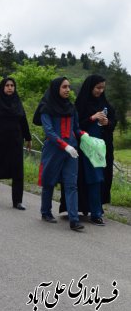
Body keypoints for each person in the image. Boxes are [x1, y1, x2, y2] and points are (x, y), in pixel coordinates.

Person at [38, 77, 86, 230]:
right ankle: (45, 212)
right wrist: (65, 146)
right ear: (56, 88)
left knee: (71, 184)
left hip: (71, 151)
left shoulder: (71, 107)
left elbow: (76, 129)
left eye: (69, 87)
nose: (67, 90)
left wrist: (85, 135)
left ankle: (74, 219)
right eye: (64, 87)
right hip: (54, 150)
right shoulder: (46, 107)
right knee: (49, 182)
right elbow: (49, 132)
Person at [0, 77, 32, 209]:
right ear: (2, 87)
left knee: (17, 171)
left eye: (12, 85)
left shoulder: (17, 101)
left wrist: (28, 138)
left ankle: (17, 201)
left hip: (15, 141)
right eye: (7, 85)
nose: (10, 88)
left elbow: (23, 120)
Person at [73, 75, 116, 225]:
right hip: (87, 148)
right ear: (90, 87)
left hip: (103, 148)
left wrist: (107, 122)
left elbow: (112, 125)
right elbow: (76, 125)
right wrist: (92, 118)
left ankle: (95, 208)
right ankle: (95, 212)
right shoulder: (81, 104)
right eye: (97, 87)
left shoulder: (105, 104)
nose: (100, 90)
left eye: (102, 88)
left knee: (102, 178)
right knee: (93, 178)